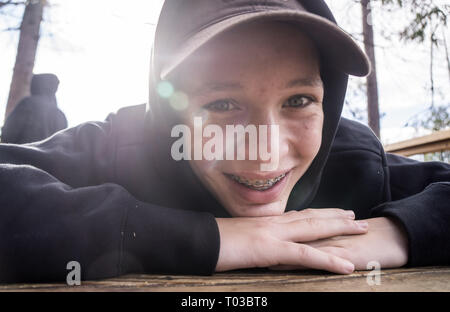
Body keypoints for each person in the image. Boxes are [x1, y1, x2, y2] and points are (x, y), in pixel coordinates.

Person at [0, 0, 449, 283]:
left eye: (298, 99)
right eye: (221, 105)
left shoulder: (354, 159)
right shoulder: (118, 147)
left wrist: (398, 232)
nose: (265, 151)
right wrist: (210, 240)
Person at [1, 73, 67, 144]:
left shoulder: (27, 104)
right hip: (45, 155)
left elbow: (8, 133)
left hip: (20, 152)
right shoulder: (60, 115)